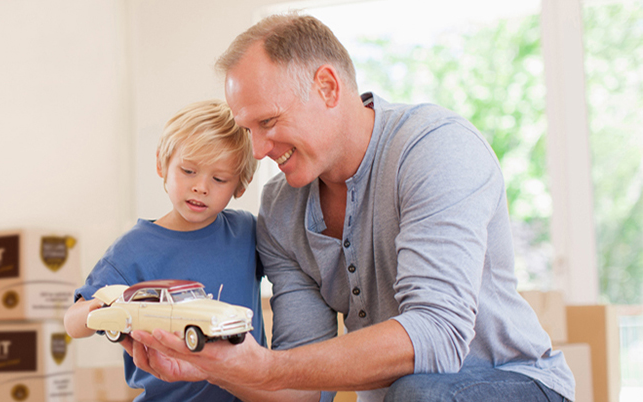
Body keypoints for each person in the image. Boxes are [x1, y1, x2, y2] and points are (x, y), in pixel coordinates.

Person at [127, 13, 576, 402]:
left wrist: (266, 366)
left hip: (517, 383)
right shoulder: (282, 210)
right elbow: (302, 389)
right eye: (248, 131)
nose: (259, 149)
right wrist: (216, 366)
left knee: (418, 390)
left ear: (326, 86)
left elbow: (437, 337)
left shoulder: (436, 149)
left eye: (268, 122)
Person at [63, 99, 265, 402]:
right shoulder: (134, 249)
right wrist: (104, 310)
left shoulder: (246, 232)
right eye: (188, 171)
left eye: (219, 179)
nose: (201, 187)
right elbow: (72, 323)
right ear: (162, 164)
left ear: (241, 184)